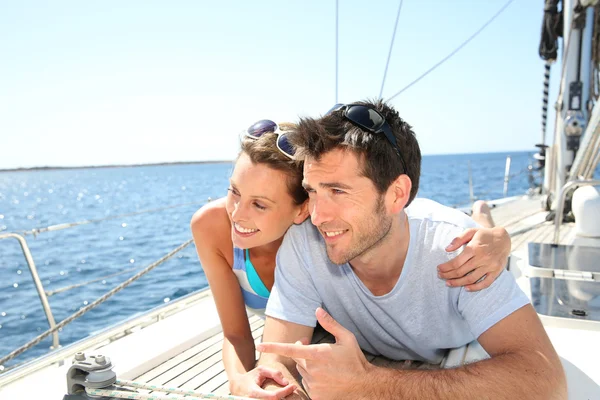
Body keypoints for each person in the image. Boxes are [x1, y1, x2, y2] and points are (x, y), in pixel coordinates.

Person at [255, 100, 567, 399]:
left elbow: (546, 382)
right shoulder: (303, 240)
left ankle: (482, 215)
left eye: (338, 191)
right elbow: (276, 362)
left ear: (397, 194)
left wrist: (372, 384)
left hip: (459, 251)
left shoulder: (461, 251)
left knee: (483, 228)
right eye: (312, 191)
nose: (318, 216)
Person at [190, 119, 514, 398]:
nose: (236, 213)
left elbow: (395, 223)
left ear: (301, 209)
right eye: (233, 191)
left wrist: (500, 240)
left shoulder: (325, 234)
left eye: (260, 204)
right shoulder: (221, 226)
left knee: (474, 236)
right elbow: (244, 338)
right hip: (314, 329)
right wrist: (242, 381)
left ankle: (483, 216)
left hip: (343, 323)